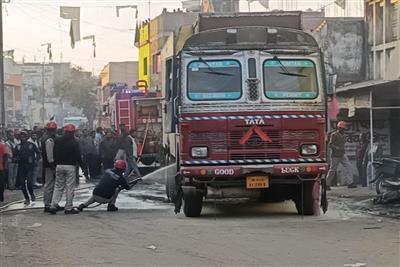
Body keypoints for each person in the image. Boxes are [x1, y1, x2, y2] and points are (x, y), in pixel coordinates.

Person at [49, 124, 86, 215]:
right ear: (73, 132)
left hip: (59, 166)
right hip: (70, 166)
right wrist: (82, 166)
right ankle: (68, 208)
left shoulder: (57, 140)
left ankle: (53, 205)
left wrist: (55, 164)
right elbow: (78, 155)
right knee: (70, 187)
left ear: (65, 131)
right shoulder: (75, 142)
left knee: (58, 186)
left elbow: (54, 152)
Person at [326, 121, 357, 189]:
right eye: (341, 128)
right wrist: (337, 148)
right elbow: (330, 144)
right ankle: (327, 184)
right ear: (338, 128)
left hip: (342, 154)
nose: (342, 129)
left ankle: (350, 183)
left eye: (343, 128)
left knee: (349, 166)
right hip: (335, 155)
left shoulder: (344, 135)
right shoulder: (334, 135)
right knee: (332, 170)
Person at [14, 131, 40, 205]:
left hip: (30, 167)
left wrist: (36, 161)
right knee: (22, 184)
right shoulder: (18, 146)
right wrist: (16, 159)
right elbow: (14, 156)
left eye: (24, 136)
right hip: (21, 167)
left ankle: (31, 194)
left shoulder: (31, 145)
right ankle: (27, 198)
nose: (23, 138)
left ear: (27, 137)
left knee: (29, 183)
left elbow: (38, 153)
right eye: (21, 136)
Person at [42, 121, 58, 212]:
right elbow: (50, 156)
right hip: (50, 166)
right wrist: (53, 166)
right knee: (49, 185)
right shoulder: (49, 140)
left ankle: (52, 203)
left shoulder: (46, 138)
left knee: (52, 185)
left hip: (49, 165)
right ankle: (48, 204)